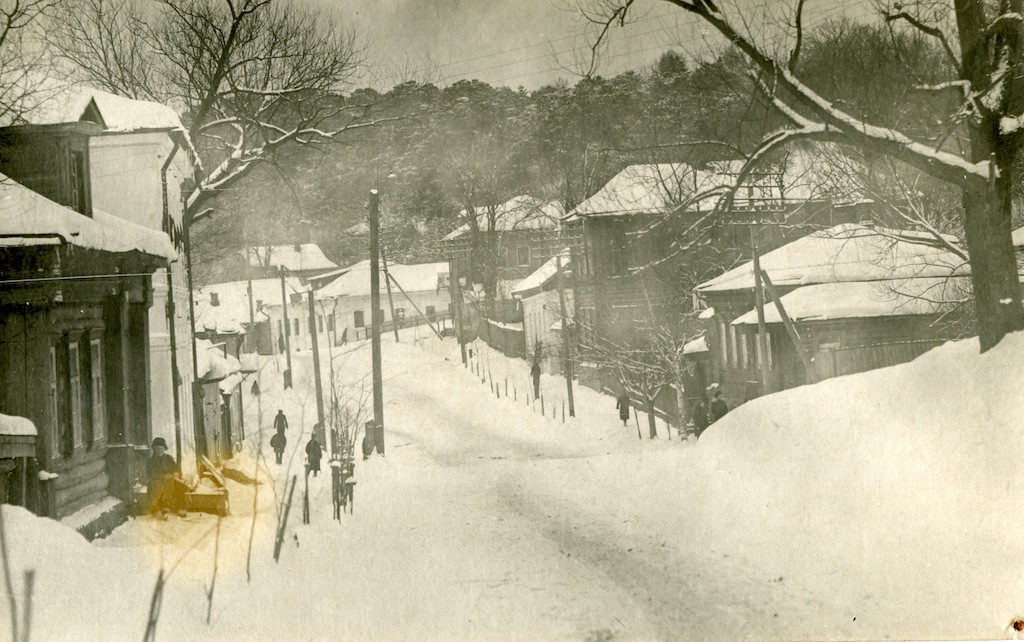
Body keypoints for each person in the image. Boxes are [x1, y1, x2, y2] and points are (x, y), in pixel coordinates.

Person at [146, 437, 187, 519]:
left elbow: (176, 468)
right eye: (157, 448)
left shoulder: (169, 458)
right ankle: (158, 510)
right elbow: (150, 475)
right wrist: (163, 477)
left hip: (170, 480)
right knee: (156, 488)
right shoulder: (151, 461)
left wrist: (176, 473)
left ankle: (180, 508)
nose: (159, 450)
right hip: (157, 481)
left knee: (179, 485)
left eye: (161, 448)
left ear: (164, 448)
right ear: (154, 449)